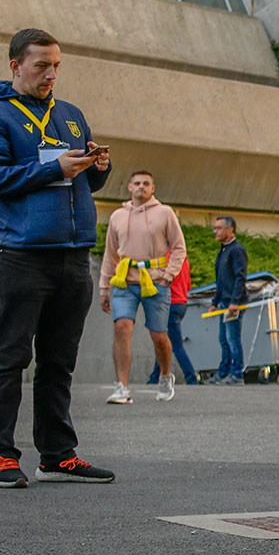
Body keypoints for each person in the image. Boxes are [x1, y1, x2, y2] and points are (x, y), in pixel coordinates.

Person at [0, 28, 114, 486]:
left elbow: (80, 183)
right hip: (23, 255)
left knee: (59, 360)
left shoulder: (70, 115)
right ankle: (1, 456)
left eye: (56, 66)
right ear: (15, 66)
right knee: (11, 357)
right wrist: (53, 167)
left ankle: (56, 454)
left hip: (73, 254)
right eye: (41, 66)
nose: (51, 74)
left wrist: (97, 168)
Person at [98, 170, 185, 404]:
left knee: (159, 335)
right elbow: (110, 253)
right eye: (137, 183)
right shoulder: (118, 216)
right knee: (122, 327)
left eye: (146, 183)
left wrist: (168, 275)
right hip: (125, 282)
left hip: (156, 282)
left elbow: (179, 248)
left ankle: (166, 375)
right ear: (129, 187)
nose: (141, 187)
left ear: (153, 188)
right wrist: (104, 287)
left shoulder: (165, 213)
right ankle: (122, 387)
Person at [146, 257, 199, 386]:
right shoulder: (184, 260)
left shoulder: (165, 258)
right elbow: (188, 285)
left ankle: (191, 377)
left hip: (170, 303)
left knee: (175, 344)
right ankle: (154, 377)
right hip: (181, 303)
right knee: (164, 340)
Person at [208, 215, 248, 385]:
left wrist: (234, 302)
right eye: (215, 228)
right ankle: (224, 372)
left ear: (230, 230)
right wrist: (214, 302)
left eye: (219, 228)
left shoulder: (237, 250)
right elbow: (220, 280)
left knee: (232, 339)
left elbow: (240, 277)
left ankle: (237, 373)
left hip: (233, 303)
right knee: (223, 339)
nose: (216, 231)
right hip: (224, 301)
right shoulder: (223, 251)